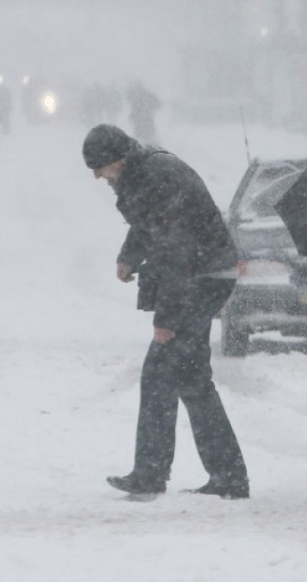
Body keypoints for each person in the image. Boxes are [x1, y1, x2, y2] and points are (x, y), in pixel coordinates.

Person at [85, 123, 250, 500]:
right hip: (202, 273)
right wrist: (128, 257)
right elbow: (148, 225)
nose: (97, 176)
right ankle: (228, 477)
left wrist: (166, 321)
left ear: (119, 158)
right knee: (191, 379)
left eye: (100, 167)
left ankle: (150, 475)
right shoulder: (142, 175)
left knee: (159, 372)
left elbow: (176, 253)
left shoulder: (159, 176)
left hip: (202, 277)